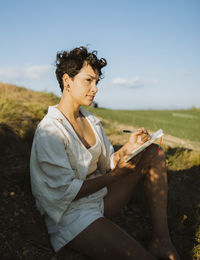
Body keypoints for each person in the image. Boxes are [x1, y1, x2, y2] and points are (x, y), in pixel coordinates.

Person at [30, 46, 180, 260]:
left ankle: (162, 240)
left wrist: (128, 148)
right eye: (88, 80)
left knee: (154, 152)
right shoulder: (50, 130)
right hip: (71, 216)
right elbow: (64, 192)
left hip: (98, 198)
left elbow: (108, 162)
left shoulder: (90, 120)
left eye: (97, 82)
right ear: (67, 80)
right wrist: (115, 176)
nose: (95, 88)